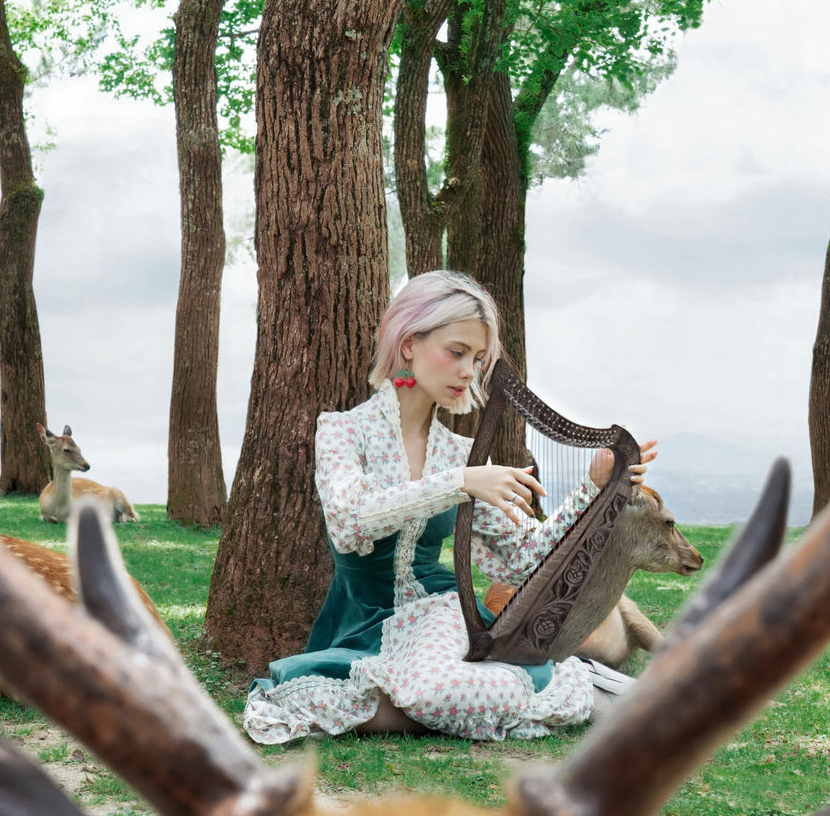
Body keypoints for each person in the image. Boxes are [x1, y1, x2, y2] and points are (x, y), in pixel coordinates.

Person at [243, 270, 656, 745]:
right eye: (456, 352)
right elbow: (350, 522)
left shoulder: (461, 453)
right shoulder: (341, 431)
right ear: (408, 345)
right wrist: (459, 484)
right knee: (293, 697)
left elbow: (523, 557)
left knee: (425, 688)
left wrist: (591, 490)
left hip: (440, 612)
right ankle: (535, 689)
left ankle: (568, 682)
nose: (469, 371)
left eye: (478, 359)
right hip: (357, 619)